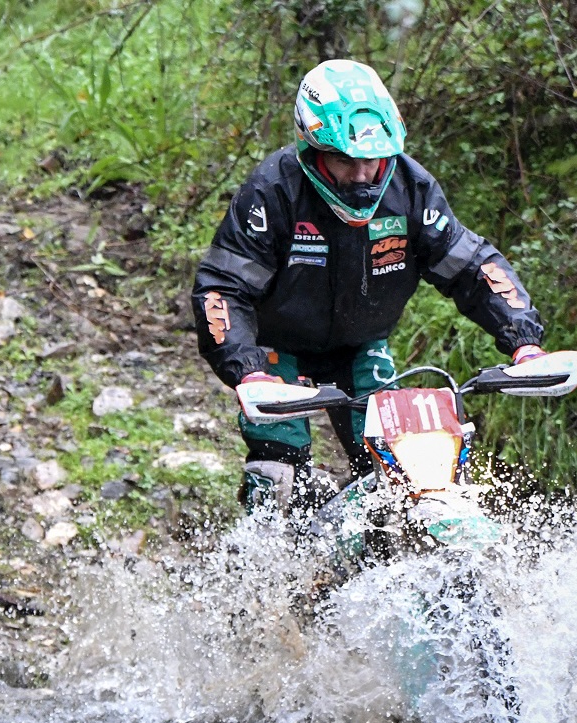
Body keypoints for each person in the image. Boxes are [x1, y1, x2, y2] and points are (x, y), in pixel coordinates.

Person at [192, 59, 548, 511]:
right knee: (277, 474)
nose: (361, 175)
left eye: (372, 161)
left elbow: (470, 264)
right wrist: (247, 370)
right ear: (313, 148)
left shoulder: (411, 188)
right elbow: (223, 286)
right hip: (276, 349)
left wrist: (524, 342)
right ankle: (272, 573)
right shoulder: (273, 189)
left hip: (361, 344)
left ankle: (387, 562)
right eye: (345, 160)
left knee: (398, 462)